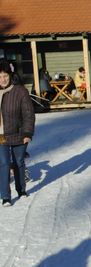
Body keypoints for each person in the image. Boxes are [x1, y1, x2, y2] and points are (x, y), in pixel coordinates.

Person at [0, 60, 35, 206]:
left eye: (5, 76)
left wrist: (27, 132)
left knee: (18, 162)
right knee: (4, 163)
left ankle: (21, 189)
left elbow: (28, 113)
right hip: (1, 135)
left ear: (10, 75)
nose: (2, 79)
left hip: (19, 133)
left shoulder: (20, 91)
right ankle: (5, 196)